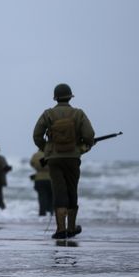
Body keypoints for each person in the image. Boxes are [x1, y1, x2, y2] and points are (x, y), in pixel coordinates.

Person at [32, 83, 94, 239]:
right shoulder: (78, 114)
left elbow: (37, 135)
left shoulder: (48, 114)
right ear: (70, 96)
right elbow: (89, 135)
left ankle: (60, 229)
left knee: (59, 191)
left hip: (54, 158)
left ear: (55, 97)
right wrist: (83, 147)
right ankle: (71, 228)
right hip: (73, 158)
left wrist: (47, 149)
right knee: (72, 190)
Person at [29, 150, 53, 216]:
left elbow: (32, 163)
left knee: (42, 197)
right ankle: (51, 213)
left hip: (39, 178)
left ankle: (42, 213)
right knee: (52, 197)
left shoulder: (36, 155)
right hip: (51, 178)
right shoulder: (51, 153)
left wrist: (38, 169)